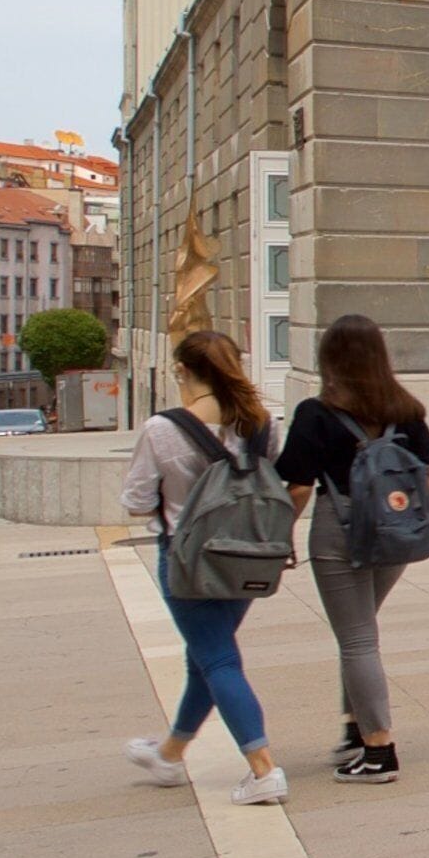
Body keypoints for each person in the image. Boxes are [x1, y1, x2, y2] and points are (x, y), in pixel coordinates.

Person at [279, 315, 429, 784]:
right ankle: (355, 730)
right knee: (360, 632)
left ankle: (378, 750)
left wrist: (279, 533)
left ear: (330, 360)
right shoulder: (404, 410)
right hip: (397, 532)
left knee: (358, 639)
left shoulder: (315, 413)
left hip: (340, 532)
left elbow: (300, 487)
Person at [121, 331, 287, 805]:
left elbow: (135, 501)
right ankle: (170, 754)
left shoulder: (162, 429)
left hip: (188, 560)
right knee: (207, 657)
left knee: (217, 659)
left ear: (184, 373)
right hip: (246, 559)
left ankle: (263, 770)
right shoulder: (261, 425)